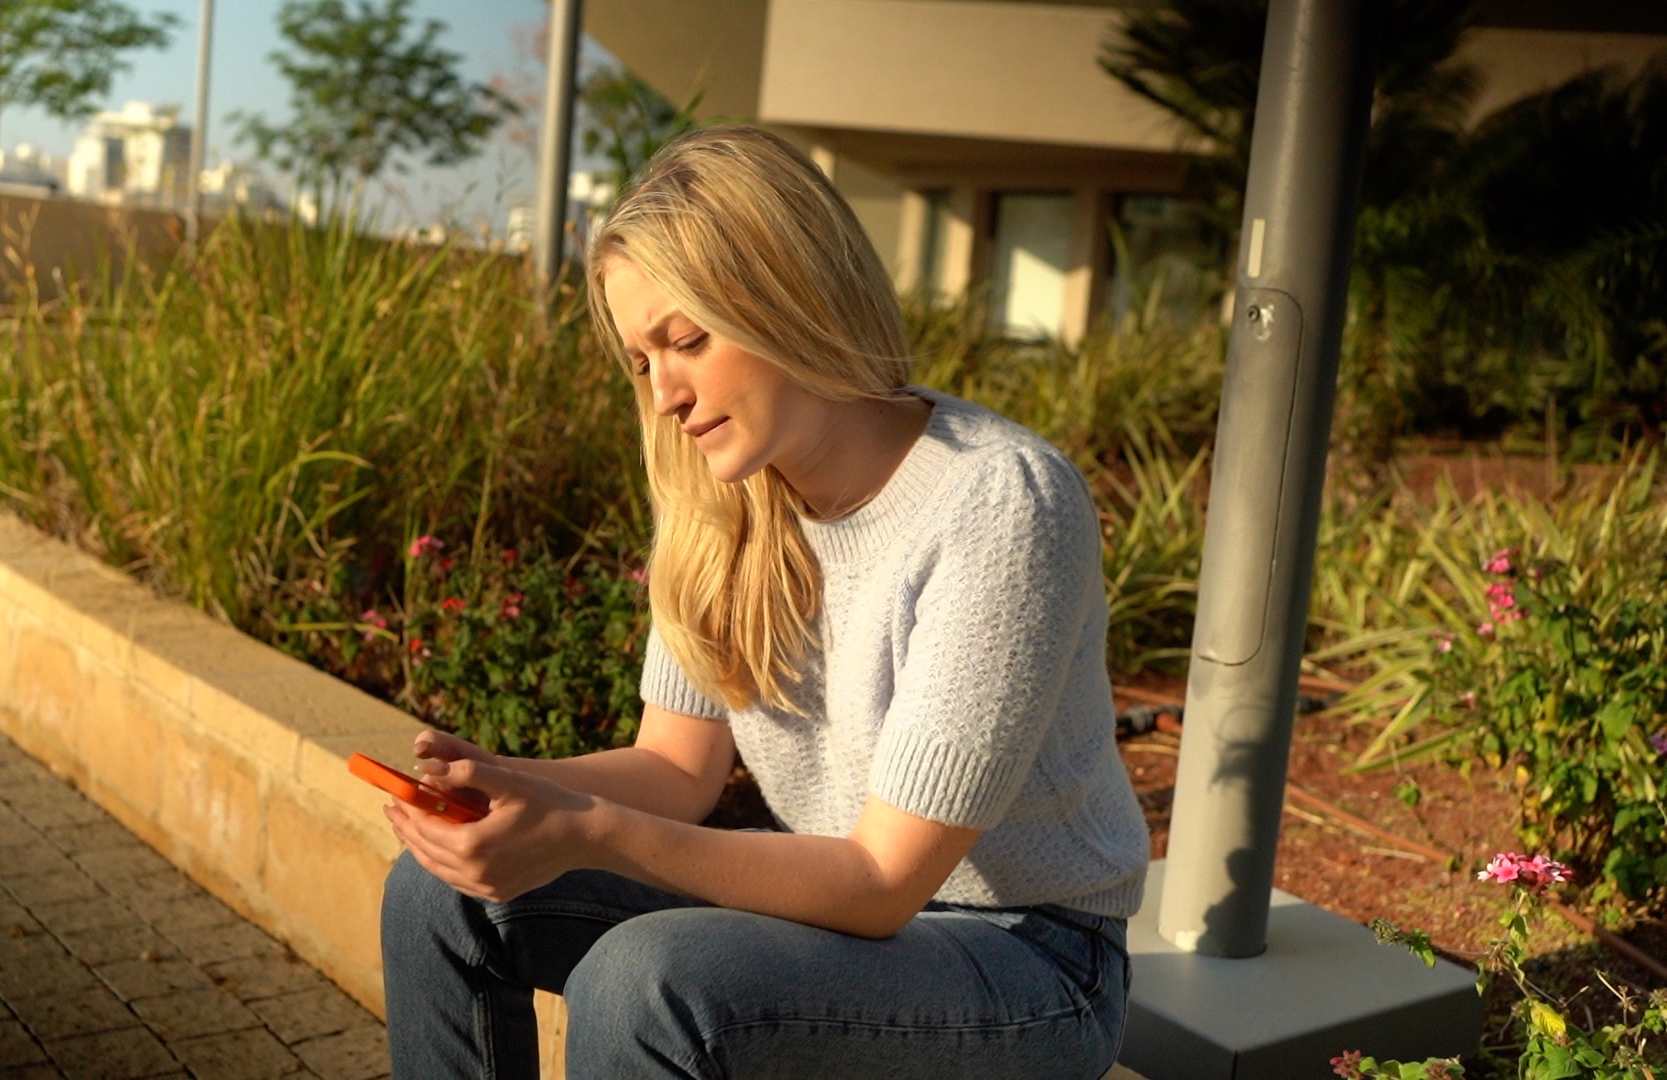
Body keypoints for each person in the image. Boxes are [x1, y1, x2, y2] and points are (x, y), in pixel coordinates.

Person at [378, 124, 1149, 1079]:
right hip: (838, 909)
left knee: (649, 982)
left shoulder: (998, 502)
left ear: (790, 294)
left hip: (1031, 956)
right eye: (640, 359)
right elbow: (675, 767)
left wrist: (588, 829)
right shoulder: (718, 491)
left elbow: (879, 882)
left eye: (687, 340)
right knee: (439, 894)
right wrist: (517, 786)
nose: (663, 392)